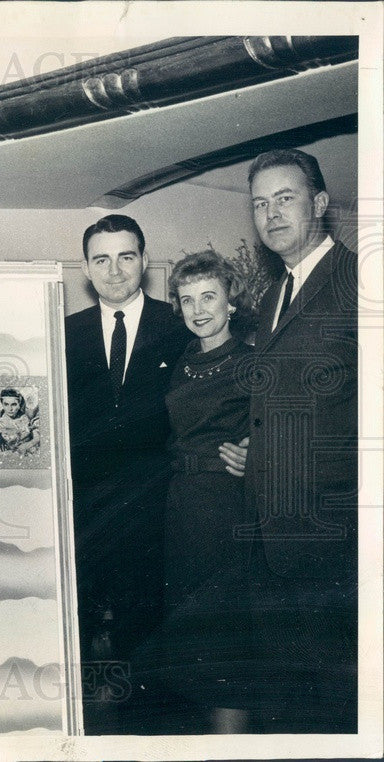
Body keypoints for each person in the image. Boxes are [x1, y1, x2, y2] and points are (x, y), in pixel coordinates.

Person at [219, 148, 358, 733]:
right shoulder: (276, 294)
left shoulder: (357, 280)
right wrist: (263, 446)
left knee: (331, 699)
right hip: (270, 527)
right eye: (259, 204)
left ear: (321, 204)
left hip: (330, 531)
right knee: (287, 692)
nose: (271, 214)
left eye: (286, 198)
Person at [64, 214, 191, 733]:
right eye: (102, 259)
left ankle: (146, 734)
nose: (115, 270)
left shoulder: (178, 324)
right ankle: (84, 732)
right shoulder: (64, 334)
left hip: (155, 506)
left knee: (146, 627)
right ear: (87, 269)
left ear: (143, 259)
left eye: (126, 256)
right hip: (86, 510)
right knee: (81, 625)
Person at [135, 251, 255, 733]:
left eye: (209, 296)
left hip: (225, 505)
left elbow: (292, 425)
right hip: (183, 505)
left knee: (228, 632)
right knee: (196, 635)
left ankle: (233, 741)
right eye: (187, 299)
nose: (199, 309)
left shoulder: (251, 362)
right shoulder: (183, 359)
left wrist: (259, 454)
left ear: (231, 303)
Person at [0, 388, 39, 456]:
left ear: (19, 404)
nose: (10, 409)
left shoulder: (27, 417)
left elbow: (37, 438)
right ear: (2, 404)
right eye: (6, 404)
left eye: (14, 404)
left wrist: (26, 446)